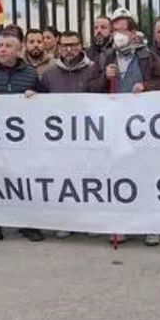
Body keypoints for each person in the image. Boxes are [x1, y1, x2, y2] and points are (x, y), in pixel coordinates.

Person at [88, 8, 160, 245]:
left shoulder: (147, 57)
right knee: (119, 176)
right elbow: (89, 88)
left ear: (133, 32)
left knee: (145, 173)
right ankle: (122, 224)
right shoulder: (105, 58)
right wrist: (104, 76)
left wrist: (146, 86)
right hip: (114, 128)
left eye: (122, 30)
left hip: (143, 127)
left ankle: (150, 225)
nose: (118, 35)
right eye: (114, 31)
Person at [0, 32, 43, 246]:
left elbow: (46, 102)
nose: (2, 49)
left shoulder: (31, 74)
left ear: (18, 49)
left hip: (22, 142)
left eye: (8, 46)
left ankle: (27, 224)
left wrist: (36, 96)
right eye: (0, 45)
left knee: (23, 180)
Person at [40, 30, 96, 239]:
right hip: (60, 139)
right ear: (58, 47)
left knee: (89, 181)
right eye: (65, 45)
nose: (69, 49)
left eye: (73, 44)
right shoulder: (49, 74)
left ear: (81, 45)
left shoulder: (93, 70)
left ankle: (89, 221)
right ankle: (67, 221)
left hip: (89, 137)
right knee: (65, 181)